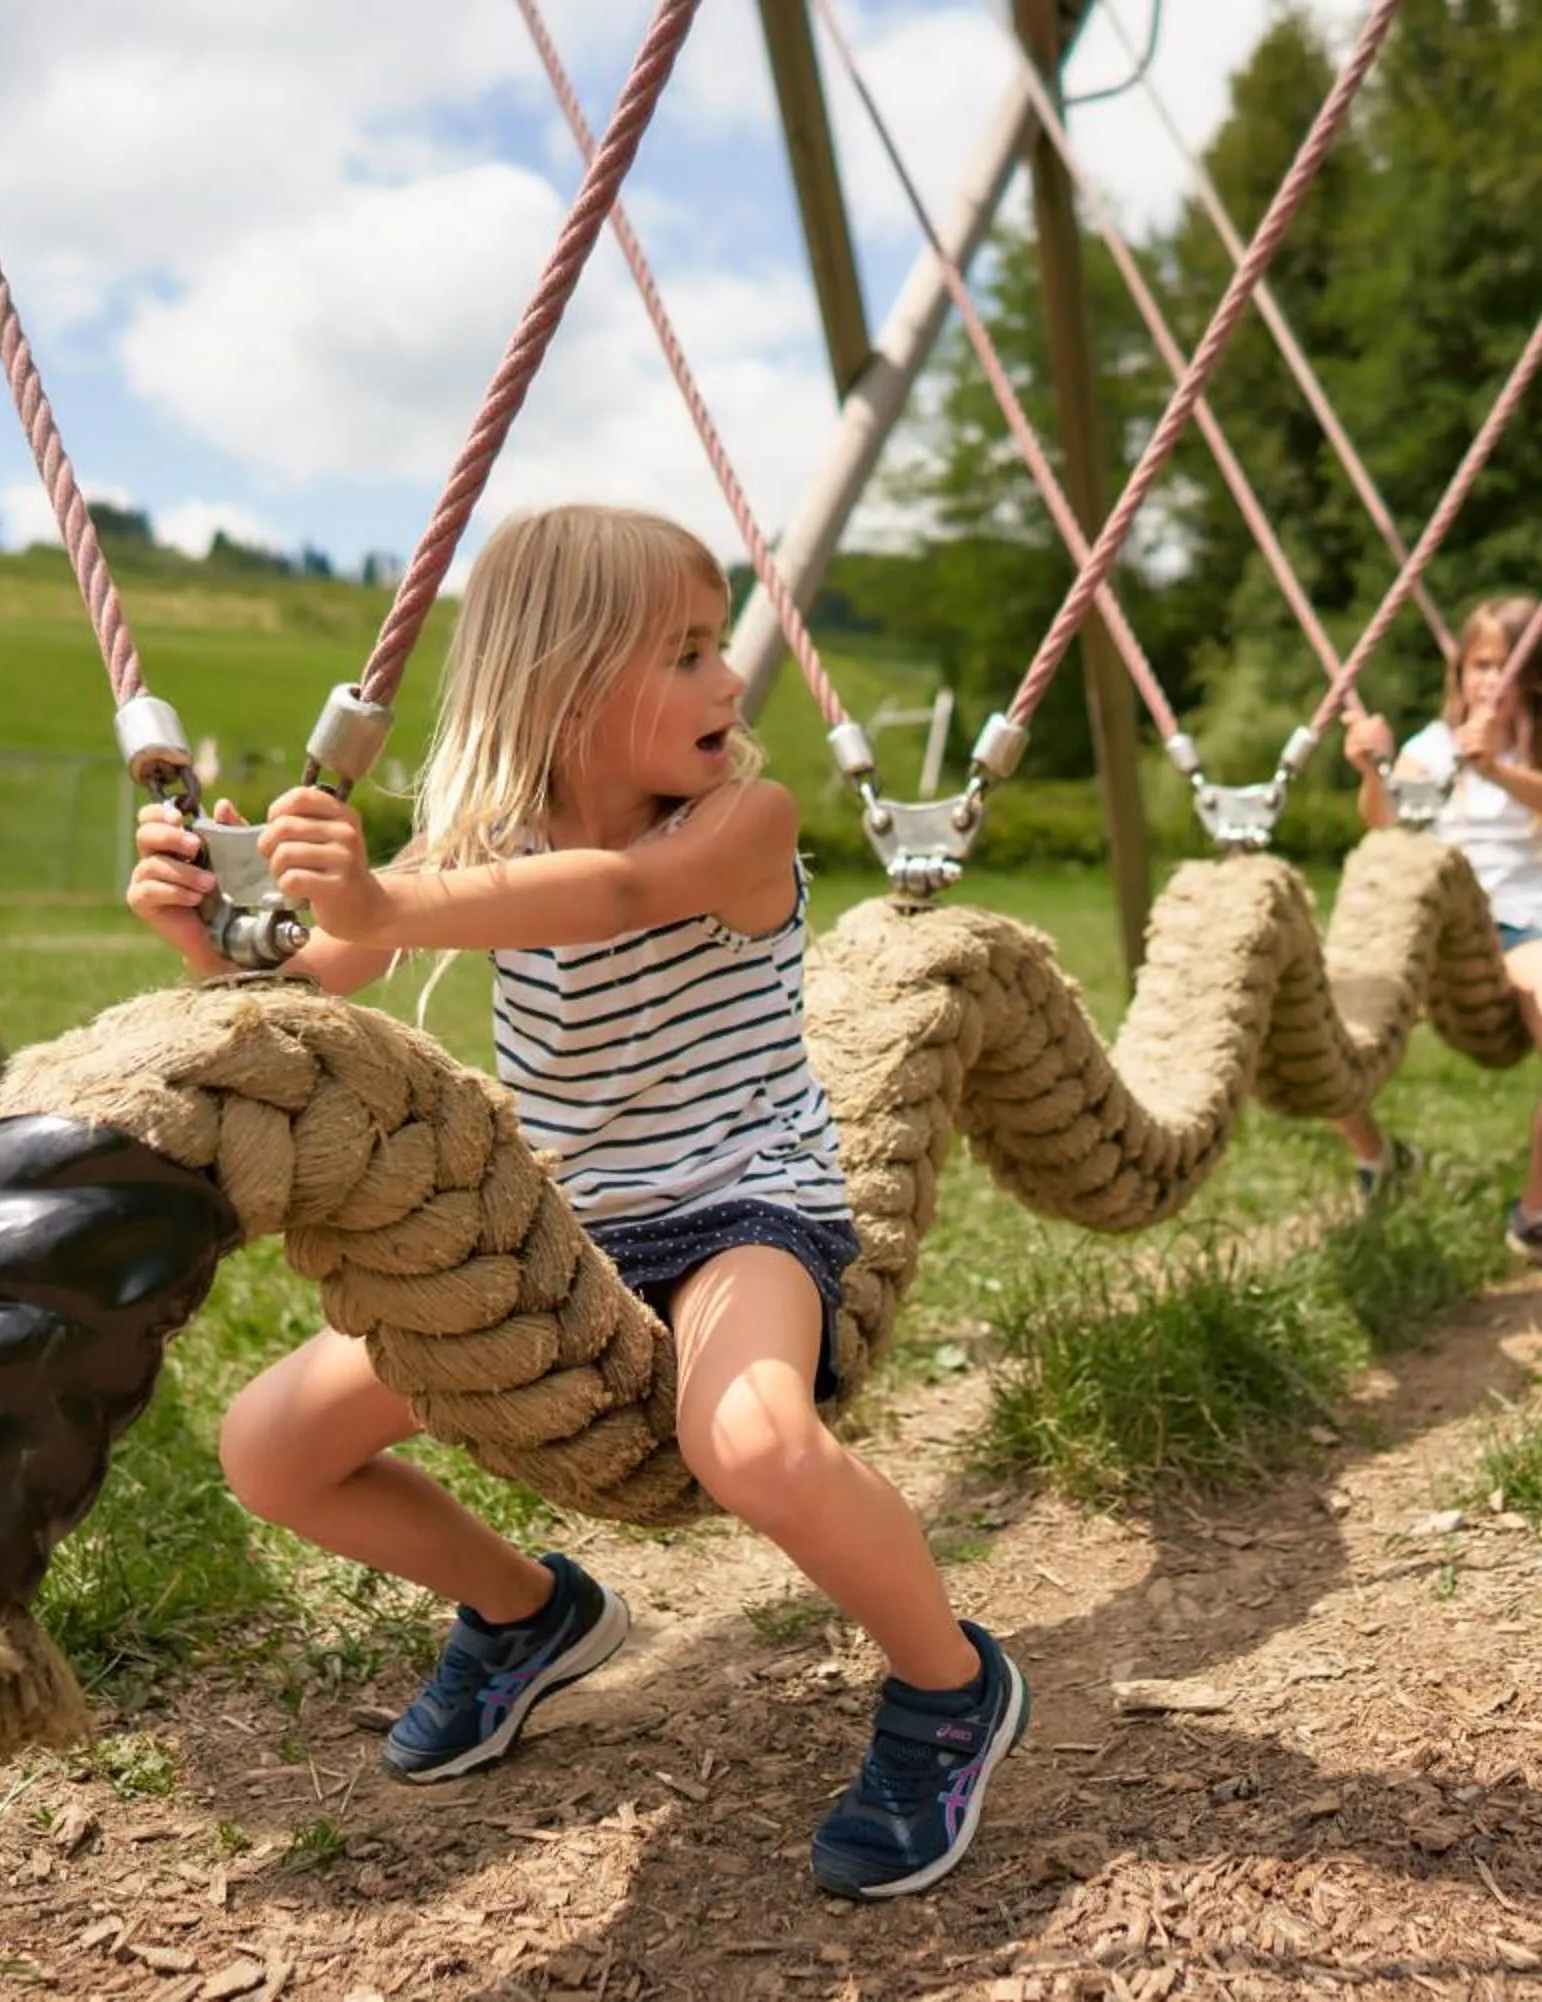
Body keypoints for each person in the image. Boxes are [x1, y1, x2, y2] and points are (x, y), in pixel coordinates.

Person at [126, 504, 1026, 1900]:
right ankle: (528, 1611)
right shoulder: (478, 837)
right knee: (271, 1451)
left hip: (744, 1210)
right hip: (564, 1231)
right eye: (683, 652)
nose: (730, 681)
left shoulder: (741, 820)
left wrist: (376, 897)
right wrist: (228, 937)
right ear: (560, 682)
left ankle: (951, 1682)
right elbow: (329, 976)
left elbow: (609, 893)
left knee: (755, 1445)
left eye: (719, 643)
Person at [1336, 595, 1542, 1276]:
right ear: (1459, 672)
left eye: (1507, 665)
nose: (1489, 679)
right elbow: (1384, 821)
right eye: (1479, 664)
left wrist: (1493, 764)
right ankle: (1377, 1157)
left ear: (1537, 674)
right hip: (1440, 932)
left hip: (1523, 931)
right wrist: (1373, 769)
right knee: (1325, 1033)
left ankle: (1536, 1215)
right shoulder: (1431, 747)